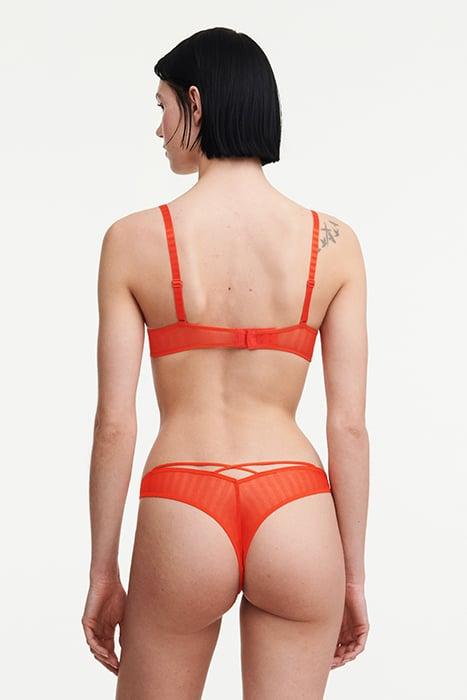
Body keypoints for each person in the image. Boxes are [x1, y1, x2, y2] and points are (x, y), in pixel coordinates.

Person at [81, 27, 370, 699]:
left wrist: (102, 571)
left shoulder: (131, 240)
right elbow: (349, 426)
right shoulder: (334, 243)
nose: (158, 129)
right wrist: (352, 576)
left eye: (161, 107)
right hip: (297, 507)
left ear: (196, 102)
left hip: (184, 504)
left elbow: (114, 423)